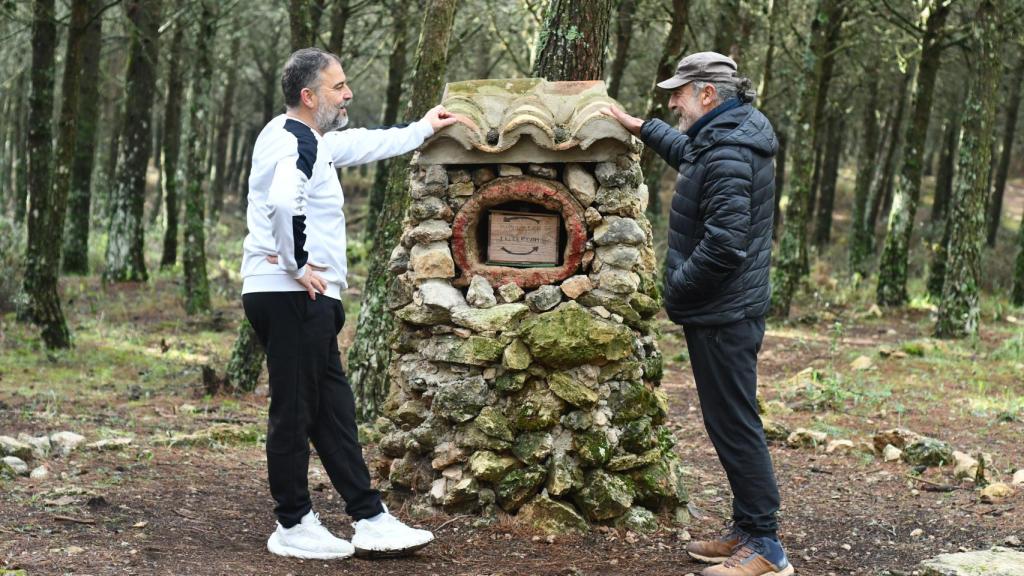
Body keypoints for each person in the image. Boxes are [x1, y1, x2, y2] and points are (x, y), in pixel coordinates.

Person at [240, 47, 457, 561]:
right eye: (338, 86)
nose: (348, 93)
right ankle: (292, 523)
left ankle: (370, 516)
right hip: (290, 294)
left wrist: (422, 128)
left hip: (302, 297)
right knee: (294, 411)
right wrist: (297, 264)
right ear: (309, 95)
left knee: (333, 412)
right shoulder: (295, 141)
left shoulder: (307, 138)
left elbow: (361, 143)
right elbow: (281, 200)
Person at [604, 52, 791, 576]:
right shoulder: (724, 137)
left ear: (707, 94)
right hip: (721, 308)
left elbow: (726, 246)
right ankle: (747, 528)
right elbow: (691, 153)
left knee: (735, 423)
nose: (671, 100)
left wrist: (677, 290)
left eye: (679, 93)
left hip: (723, 312)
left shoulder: (731, 150)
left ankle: (768, 547)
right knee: (725, 420)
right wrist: (642, 127)